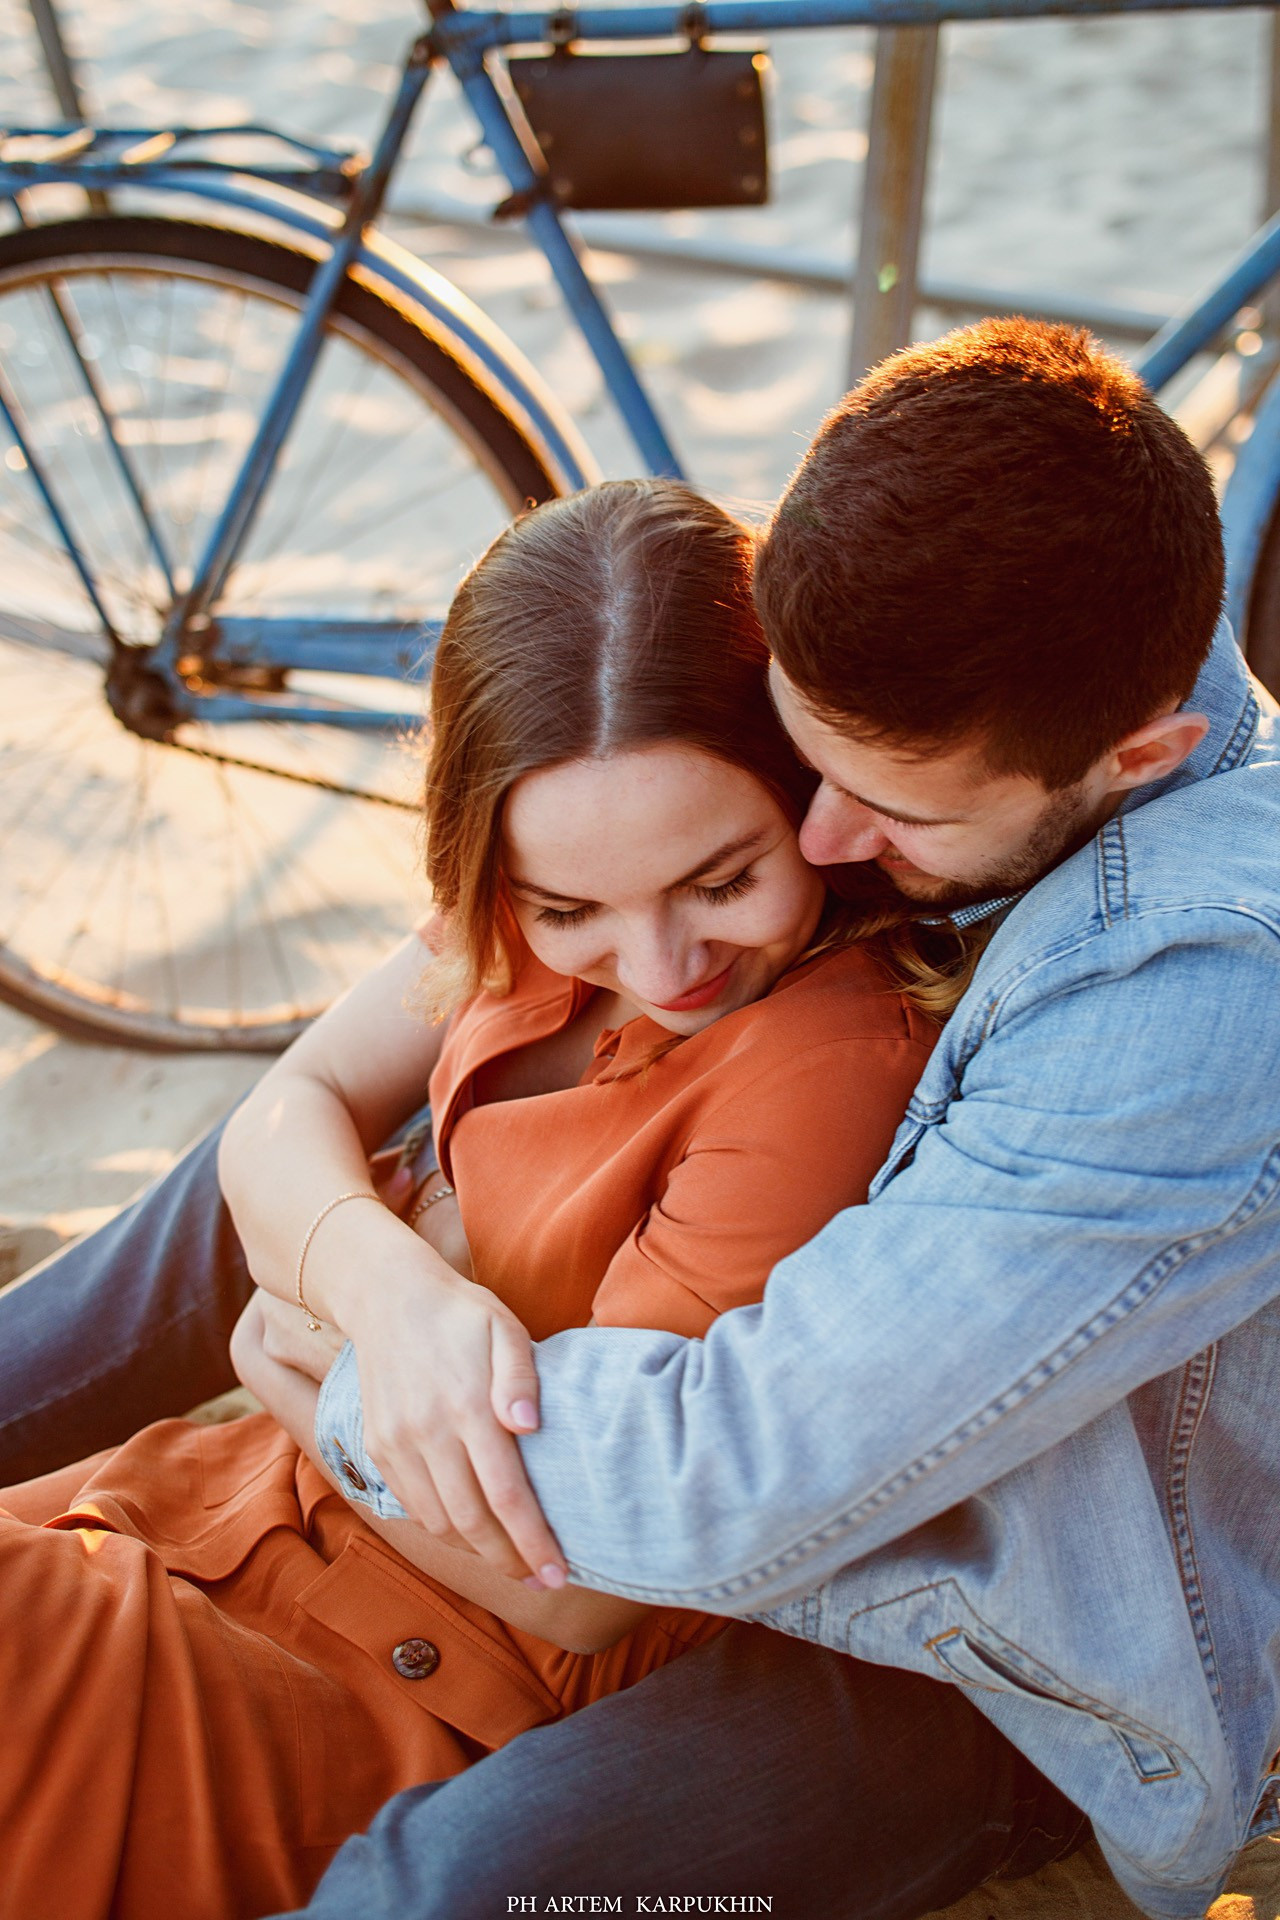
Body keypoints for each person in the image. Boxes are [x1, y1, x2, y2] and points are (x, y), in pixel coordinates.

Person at [0, 316, 1266, 1920]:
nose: (831, 835)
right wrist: (384, 1278)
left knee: (442, 1892)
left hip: (971, 1636)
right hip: (644, 1510)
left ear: (1135, 754)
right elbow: (285, 1120)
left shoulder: (1186, 1002)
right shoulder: (958, 677)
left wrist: (331, 1365)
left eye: (878, 807)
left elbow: (701, 1494)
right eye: (800, 750)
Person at [0, 478, 985, 1920]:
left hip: (392, 1676)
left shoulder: (817, 1067)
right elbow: (280, 1118)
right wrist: (393, 1302)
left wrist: (301, 1377)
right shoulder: (528, 899)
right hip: (200, 1522)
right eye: (571, 911)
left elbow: (595, 1586)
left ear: (810, 795)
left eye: (722, 878)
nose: (656, 965)